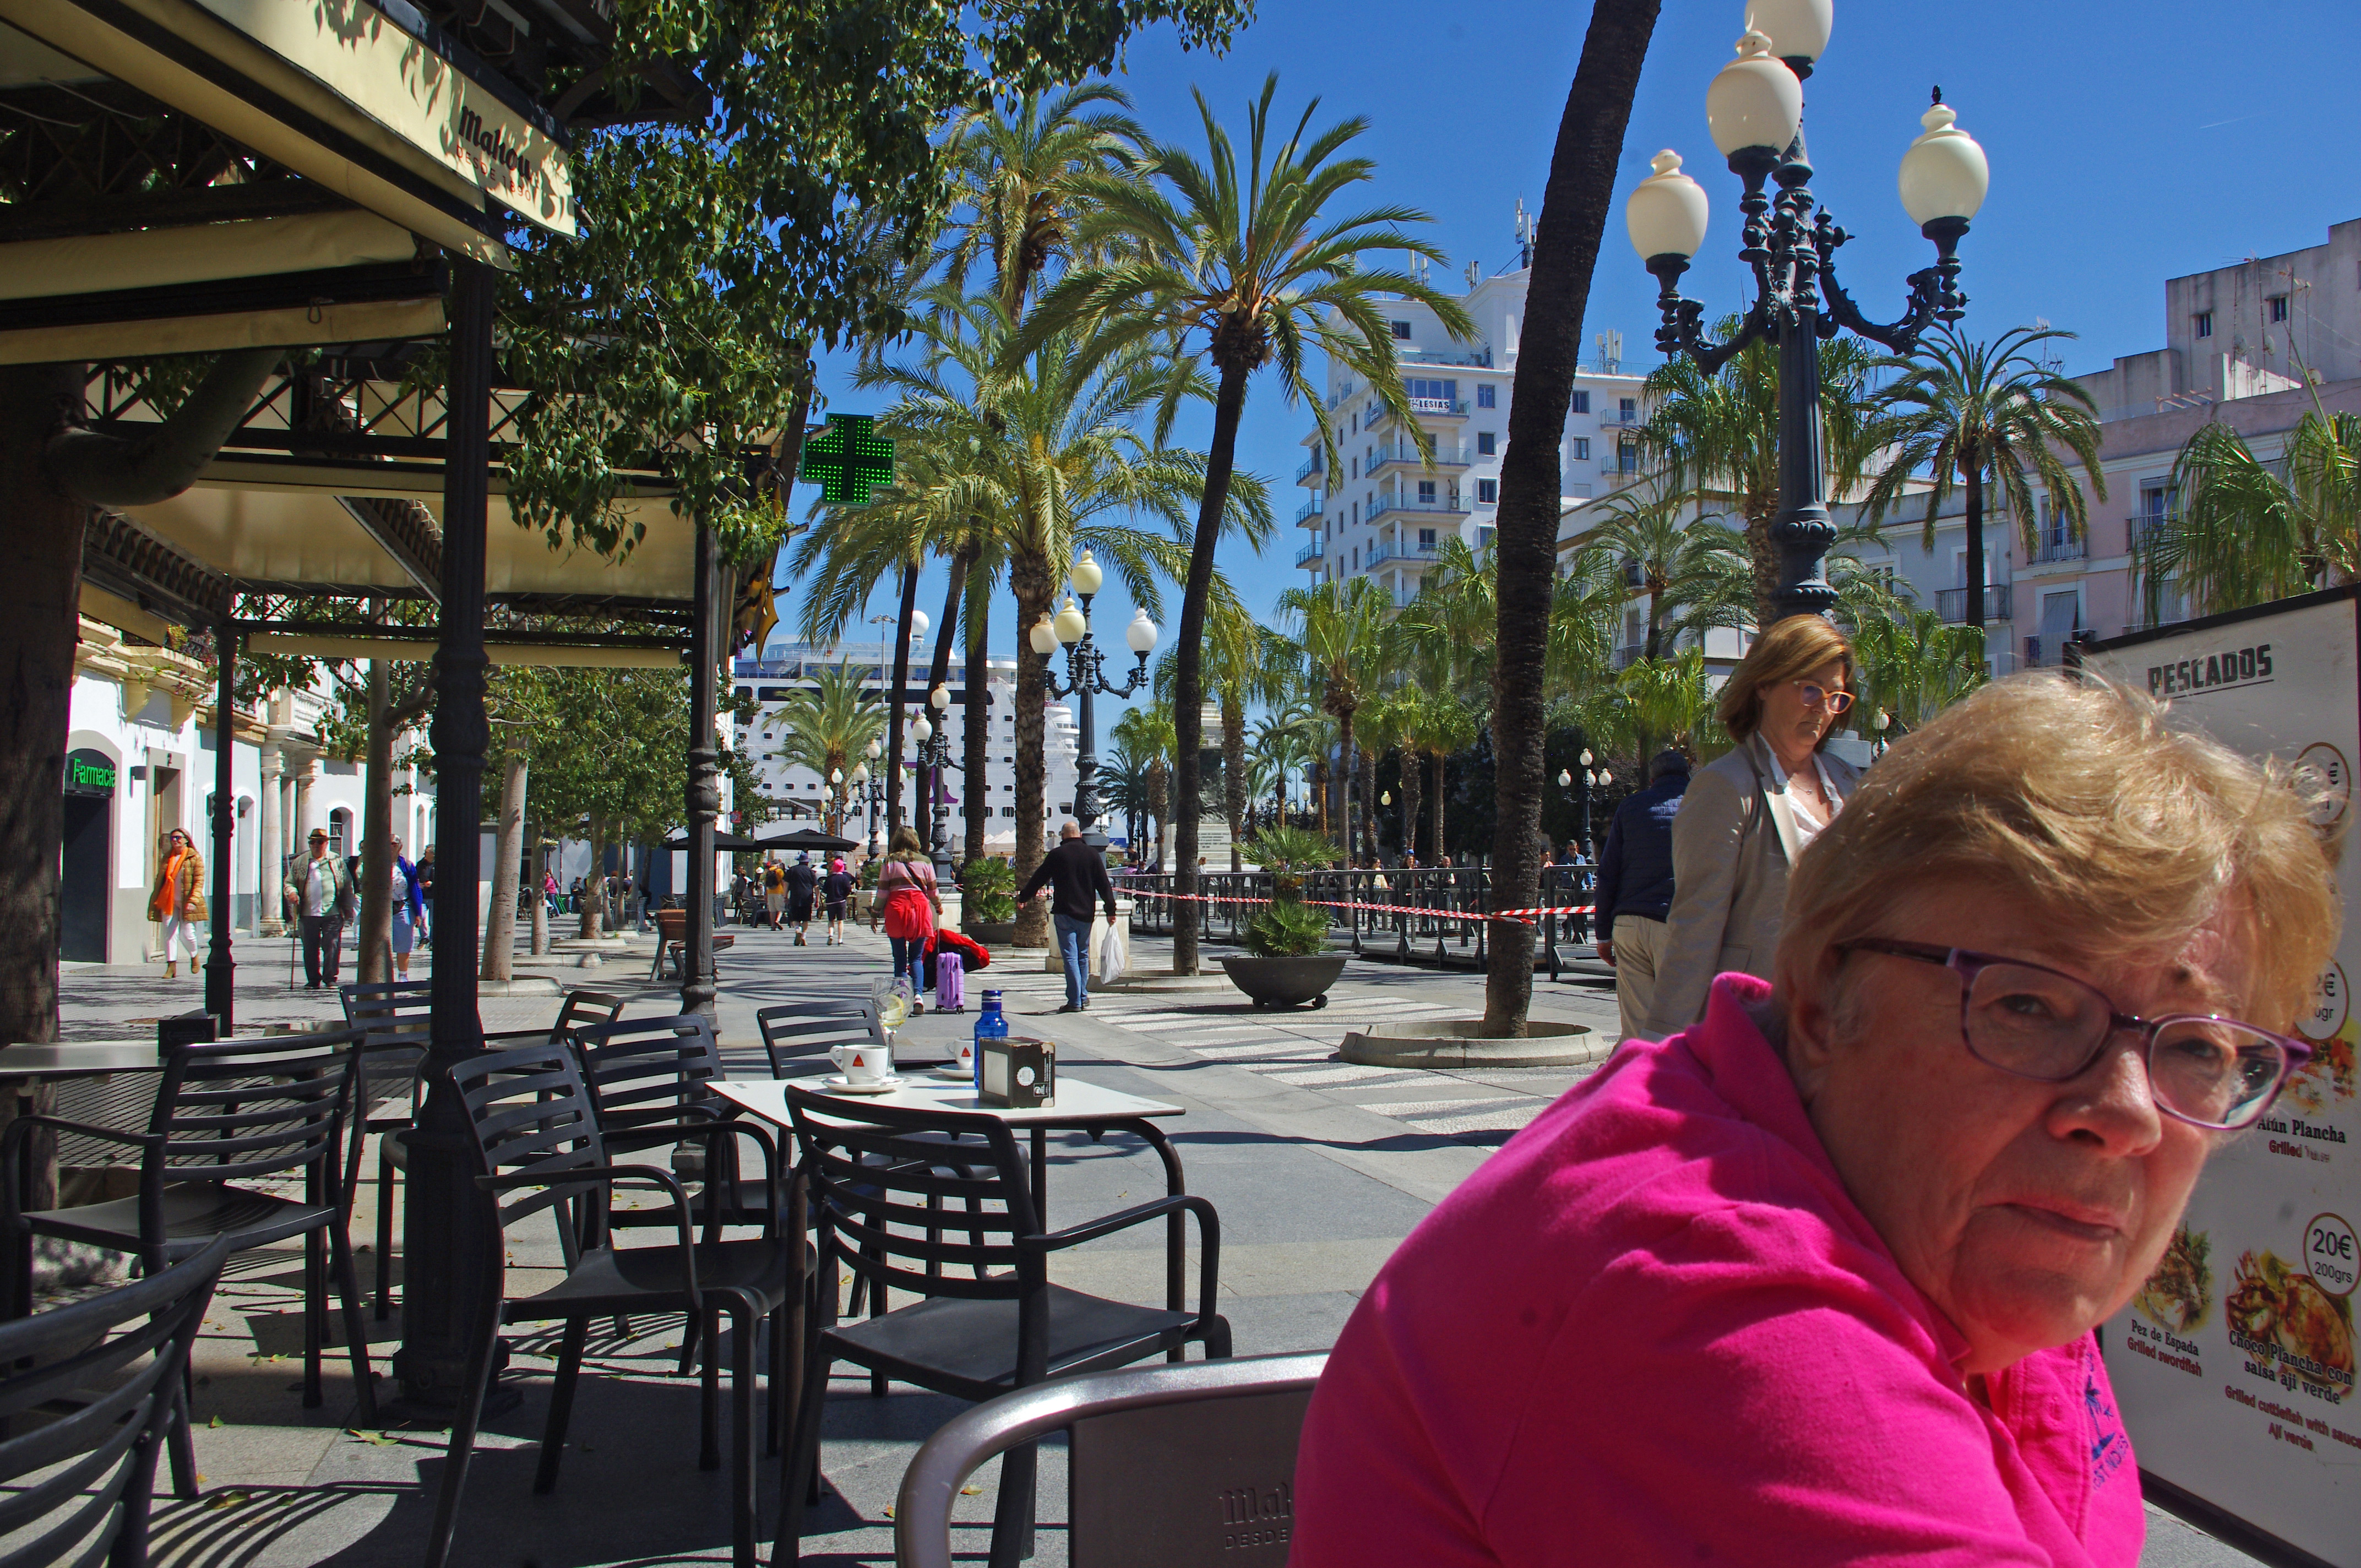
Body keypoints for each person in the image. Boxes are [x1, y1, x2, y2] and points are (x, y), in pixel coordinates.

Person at [1291, 672, 2340, 1567]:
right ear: (1824, 995)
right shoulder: (1711, 1293)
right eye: (2026, 1004)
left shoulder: (1960, 1231)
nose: (2124, 1114)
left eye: (2199, 1049)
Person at [1642, 615, 1862, 1037]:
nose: (1822, 708)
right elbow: (1696, 927)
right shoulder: (1727, 786)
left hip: (1844, 1023)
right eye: (1810, 690)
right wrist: (1660, 1043)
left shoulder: (1849, 783)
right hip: (1761, 1025)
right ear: (1764, 684)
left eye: (1836, 697)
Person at [1593, 749, 1691, 1040]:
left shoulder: (1631, 807)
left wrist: (1603, 935)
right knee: (1679, 1023)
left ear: (1652, 780)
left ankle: (1638, 1065)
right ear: (1688, 775)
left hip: (1630, 923)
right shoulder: (1701, 806)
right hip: (1677, 923)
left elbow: (1608, 873)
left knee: (1637, 1027)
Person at [1020, 820, 1119, 1014]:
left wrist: (1024, 897)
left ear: (1064, 836)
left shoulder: (1057, 855)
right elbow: (1104, 884)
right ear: (1080, 835)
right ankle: (1082, 996)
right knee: (1082, 955)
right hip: (1086, 913)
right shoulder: (1092, 854)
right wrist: (1111, 910)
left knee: (1070, 957)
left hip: (1065, 911)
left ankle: (1074, 1001)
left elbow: (1039, 878)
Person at [877, 827, 942, 1009]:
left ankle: (901, 996)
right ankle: (918, 996)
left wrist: (875, 913)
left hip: (896, 909)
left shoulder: (889, 862)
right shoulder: (926, 861)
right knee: (916, 958)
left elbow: (882, 892)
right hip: (920, 909)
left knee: (899, 958)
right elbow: (933, 891)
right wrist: (938, 906)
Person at [286, 827, 357, 990]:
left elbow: (348, 884)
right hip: (308, 912)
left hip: (332, 911)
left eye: (320, 842)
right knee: (310, 947)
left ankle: (330, 978)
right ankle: (313, 979)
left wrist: (348, 907)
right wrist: (292, 893)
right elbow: (290, 882)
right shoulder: (301, 862)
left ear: (326, 843)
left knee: (332, 945)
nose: (316, 845)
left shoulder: (336, 861)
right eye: (313, 842)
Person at [148, 827, 206, 980]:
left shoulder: (194, 858)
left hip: (187, 901)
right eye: (173, 838)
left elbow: (199, 882)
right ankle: (171, 966)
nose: (175, 841)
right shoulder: (168, 858)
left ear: (186, 839)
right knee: (169, 933)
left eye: (178, 838)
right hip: (168, 900)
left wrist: (193, 900)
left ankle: (194, 955)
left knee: (187, 934)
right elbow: (160, 880)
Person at [388, 836, 426, 979]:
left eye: (394, 844)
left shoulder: (407, 866)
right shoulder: (377, 863)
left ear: (400, 846)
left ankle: (403, 976)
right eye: (389, 844)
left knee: (404, 944)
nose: (391, 846)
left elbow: (415, 888)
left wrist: (418, 913)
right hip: (382, 910)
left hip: (402, 906)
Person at [786, 851, 818, 945]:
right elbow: (816, 886)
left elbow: (786, 884)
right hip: (807, 897)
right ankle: (804, 936)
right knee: (806, 919)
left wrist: (785, 896)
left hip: (795, 896)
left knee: (795, 917)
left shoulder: (792, 870)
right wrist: (818, 899)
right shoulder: (811, 872)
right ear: (807, 862)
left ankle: (797, 929)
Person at [822, 857, 855, 945]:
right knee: (840, 921)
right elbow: (848, 889)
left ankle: (831, 934)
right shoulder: (844, 878)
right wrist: (844, 896)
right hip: (841, 901)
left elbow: (825, 890)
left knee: (831, 920)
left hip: (830, 901)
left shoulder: (829, 878)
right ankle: (840, 939)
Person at [415, 845, 436, 945]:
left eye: (426, 853)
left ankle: (432, 941)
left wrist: (432, 884)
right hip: (422, 896)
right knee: (421, 917)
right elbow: (415, 876)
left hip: (434, 896)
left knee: (433, 921)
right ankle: (424, 937)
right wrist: (418, 884)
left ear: (433, 854)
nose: (424, 854)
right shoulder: (421, 864)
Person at [762, 857, 787, 930]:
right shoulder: (779, 871)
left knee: (772, 910)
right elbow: (783, 882)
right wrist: (785, 893)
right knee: (781, 909)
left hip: (770, 892)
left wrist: (766, 895)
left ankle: (773, 926)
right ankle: (778, 920)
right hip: (779, 892)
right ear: (778, 865)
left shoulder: (767, 872)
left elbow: (765, 884)